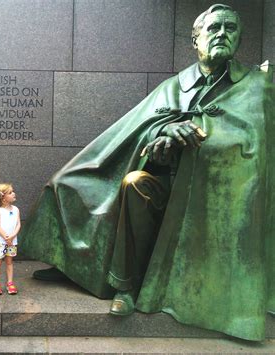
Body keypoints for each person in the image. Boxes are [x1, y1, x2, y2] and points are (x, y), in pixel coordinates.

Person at [20, 4, 274, 341]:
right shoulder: (174, 87)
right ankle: (113, 282)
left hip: (215, 199)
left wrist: (206, 138)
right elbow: (138, 132)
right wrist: (160, 137)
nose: (223, 35)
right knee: (114, 183)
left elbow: (253, 142)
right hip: (166, 187)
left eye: (230, 28)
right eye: (214, 29)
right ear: (194, 39)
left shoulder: (259, 86)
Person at [0, 183, 21, 295]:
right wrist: (5, 237)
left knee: (9, 262)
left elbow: (18, 224)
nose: (14, 193)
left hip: (12, 241)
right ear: (3, 197)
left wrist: (12, 236)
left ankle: (10, 282)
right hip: (0, 242)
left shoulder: (16, 209)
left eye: (13, 191)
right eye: (10, 192)